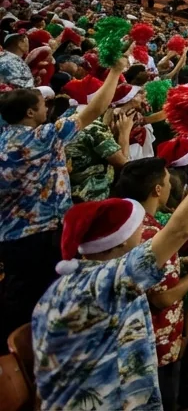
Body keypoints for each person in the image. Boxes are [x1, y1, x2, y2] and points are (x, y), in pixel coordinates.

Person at [32, 134, 188, 410]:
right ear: (124, 242)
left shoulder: (65, 286)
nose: (145, 229)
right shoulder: (108, 280)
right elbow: (179, 230)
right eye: (138, 225)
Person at [0, 56, 127, 340]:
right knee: (40, 304)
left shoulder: (4, 141)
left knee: (18, 301)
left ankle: (14, 364)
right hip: (42, 237)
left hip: (10, 239)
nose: (49, 107)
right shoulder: (42, 138)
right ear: (31, 112)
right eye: (44, 105)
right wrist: (116, 71)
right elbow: (95, 108)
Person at [112, 158, 188, 411]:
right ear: (157, 190)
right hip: (157, 343)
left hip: (146, 342)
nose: (170, 186)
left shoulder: (131, 224)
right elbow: (162, 299)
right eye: (167, 182)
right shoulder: (148, 233)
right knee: (167, 400)